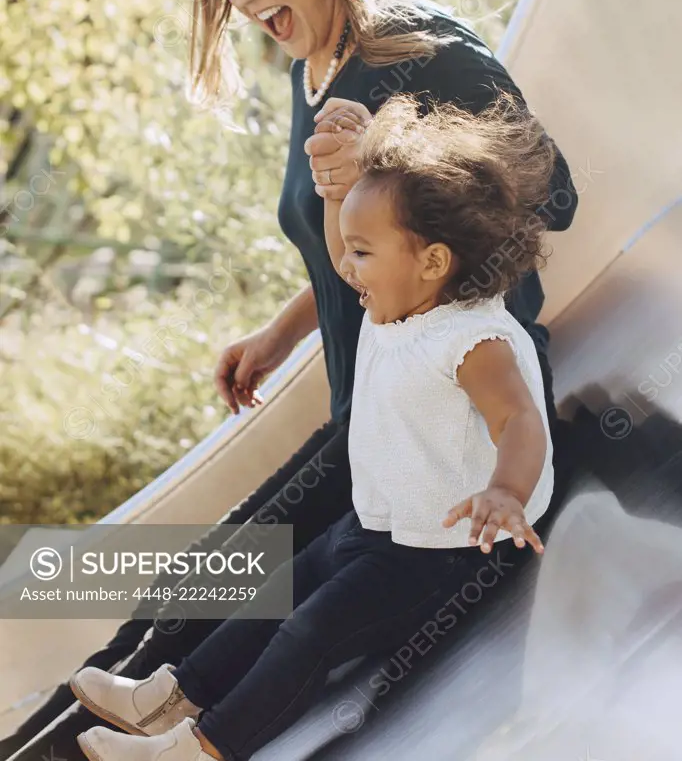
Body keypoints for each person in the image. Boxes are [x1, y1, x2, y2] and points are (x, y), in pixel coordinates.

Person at [0, 0, 577, 758]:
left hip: (439, 425)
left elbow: (553, 204)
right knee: (185, 605)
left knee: (206, 602)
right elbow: (357, 245)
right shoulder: (308, 74)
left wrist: (394, 147)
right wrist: (280, 330)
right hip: (366, 416)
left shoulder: (424, 53)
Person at [71, 89, 557, 761]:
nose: (346, 267)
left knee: (310, 631)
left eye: (363, 251)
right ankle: (167, 697)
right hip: (374, 523)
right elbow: (338, 250)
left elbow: (520, 418)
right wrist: (338, 197)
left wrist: (505, 489)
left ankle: (199, 747)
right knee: (273, 596)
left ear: (433, 261)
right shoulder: (399, 300)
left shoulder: (474, 338)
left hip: (434, 555)